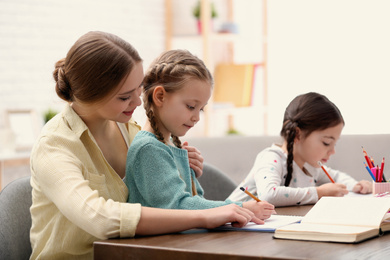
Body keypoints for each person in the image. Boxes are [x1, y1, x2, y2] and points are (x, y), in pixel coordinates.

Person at [29, 31, 262, 260]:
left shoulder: (129, 129)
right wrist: (206, 215)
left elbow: (156, 196)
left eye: (139, 89)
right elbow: (100, 218)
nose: (139, 101)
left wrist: (181, 168)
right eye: (124, 97)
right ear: (91, 94)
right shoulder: (54, 146)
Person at [125, 49, 275, 221]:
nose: (196, 117)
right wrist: (239, 208)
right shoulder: (148, 148)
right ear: (160, 96)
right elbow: (178, 207)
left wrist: (189, 173)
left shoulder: (168, 148)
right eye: (190, 106)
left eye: (200, 109)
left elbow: (196, 202)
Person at [228, 92, 372, 207]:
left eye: (335, 144)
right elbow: (269, 194)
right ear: (297, 134)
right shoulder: (271, 158)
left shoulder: (311, 166)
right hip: (228, 231)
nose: (332, 151)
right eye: (327, 143)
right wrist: (319, 192)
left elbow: (337, 177)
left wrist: (355, 186)